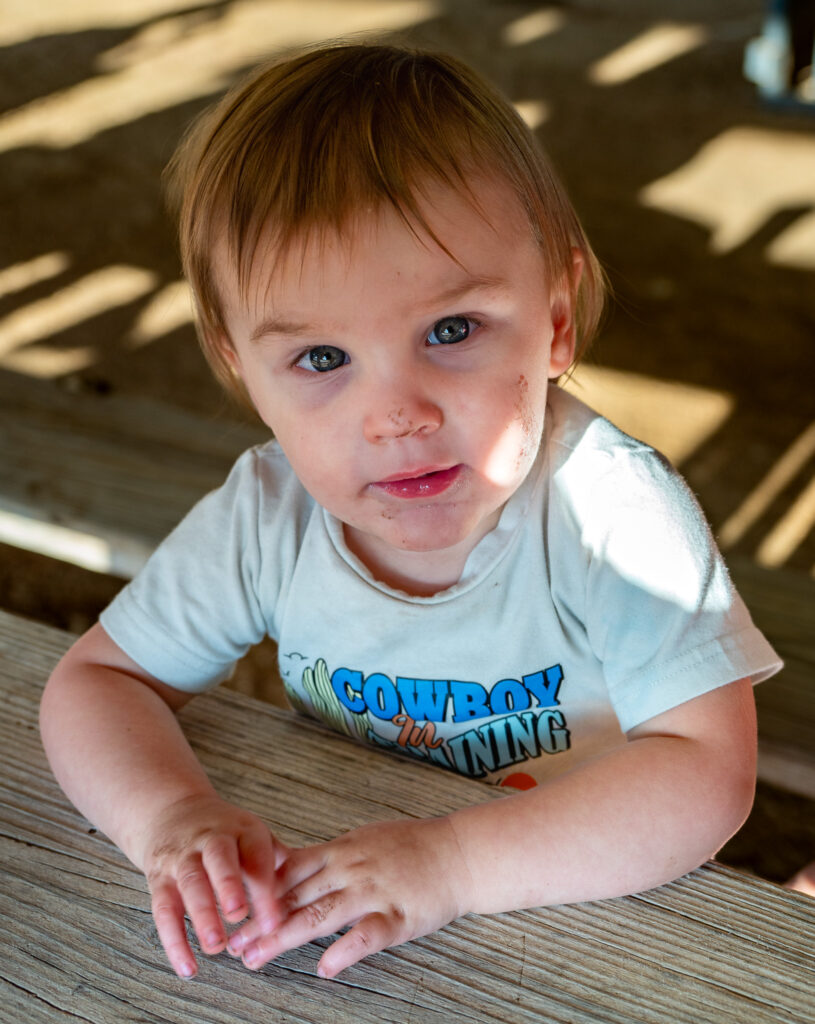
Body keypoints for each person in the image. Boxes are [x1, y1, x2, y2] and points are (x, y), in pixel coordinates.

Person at [40, 42, 782, 983]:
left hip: (584, 906)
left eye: (450, 331)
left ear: (554, 317)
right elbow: (101, 681)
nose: (396, 414)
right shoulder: (267, 516)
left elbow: (704, 775)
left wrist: (454, 864)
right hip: (345, 919)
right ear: (242, 369)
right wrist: (169, 819)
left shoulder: (609, 513)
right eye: (320, 359)